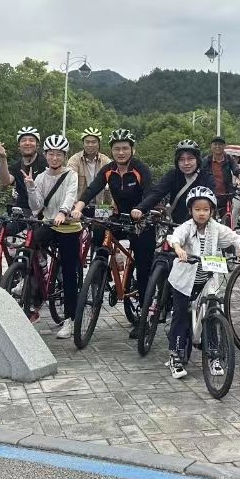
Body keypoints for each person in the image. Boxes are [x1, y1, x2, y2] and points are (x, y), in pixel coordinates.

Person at [71, 129, 155, 337]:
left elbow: (151, 193)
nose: (121, 152)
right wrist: (78, 207)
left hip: (141, 219)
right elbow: (92, 189)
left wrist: (141, 209)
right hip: (120, 216)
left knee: (143, 267)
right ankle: (101, 268)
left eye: (125, 148)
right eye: (117, 149)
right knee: (99, 228)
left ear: (132, 150)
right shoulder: (109, 170)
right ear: (111, 151)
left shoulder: (140, 169)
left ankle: (144, 317)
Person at [164, 186, 240, 379]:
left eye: (205, 209)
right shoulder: (187, 227)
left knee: (212, 314)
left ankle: (214, 355)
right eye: (197, 209)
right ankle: (175, 354)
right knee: (180, 315)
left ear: (212, 211)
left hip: (208, 280)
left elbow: (234, 237)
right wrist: (179, 249)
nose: (201, 213)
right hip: (184, 282)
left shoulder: (216, 228)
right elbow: (176, 237)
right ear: (190, 210)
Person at [27, 134, 82, 339]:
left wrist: (63, 212)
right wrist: (31, 187)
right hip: (49, 223)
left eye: (59, 154)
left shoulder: (71, 175)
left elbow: (70, 195)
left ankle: (70, 319)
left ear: (65, 156)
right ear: (45, 155)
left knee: (69, 273)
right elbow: (37, 206)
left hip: (68, 227)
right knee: (31, 241)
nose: (54, 158)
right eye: (51, 154)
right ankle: (39, 273)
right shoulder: (41, 177)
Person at [0, 127, 48, 254]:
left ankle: (39, 261)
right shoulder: (17, 165)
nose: (27, 143)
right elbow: (6, 181)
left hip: (43, 214)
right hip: (22, 213)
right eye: (23, 140)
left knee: (34, 243)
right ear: (19, 146)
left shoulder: (45, 163)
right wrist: (3, 158)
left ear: (37, 145)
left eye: (31, 140)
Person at [136, 139, 214, 225]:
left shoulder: (206, 177)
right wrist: (140, 208)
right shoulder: (173, 175)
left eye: (190, 159)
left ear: (197, 160)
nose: (186, 163)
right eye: (181, 159)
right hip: (176, 225)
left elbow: (212, 202)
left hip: (201, 224)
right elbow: (157, 193)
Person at [203, 136, 240, 224]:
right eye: (215, 144)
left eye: (220, 144)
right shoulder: (206, 160)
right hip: (210, 194)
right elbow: (200, 174)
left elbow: (238, 172)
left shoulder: (229, 159)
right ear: (211, 146)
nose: (217, 146)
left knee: (227, 220)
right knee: (209, 220)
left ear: (224, 146)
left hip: (226, 195)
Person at [68, 128, 110, 202]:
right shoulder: (75, 160)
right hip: (79, 203)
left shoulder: (106, 161)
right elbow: (69, 183)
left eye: (94, 142)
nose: (90, 145)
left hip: (99, 204)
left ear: (99, 144)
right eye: (87, 142)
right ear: (83, 144)